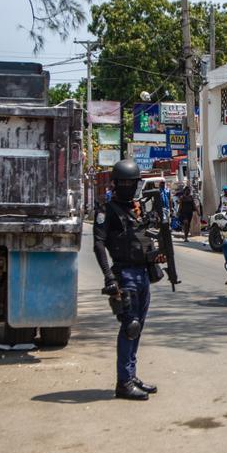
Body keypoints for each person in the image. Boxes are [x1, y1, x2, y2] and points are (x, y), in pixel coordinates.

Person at [92, 160, 161, 401]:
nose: (128, 187)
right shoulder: (106, 211)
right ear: (115, 183)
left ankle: (131, 375)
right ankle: (123, 382)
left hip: (142, 273)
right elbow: (99, 245)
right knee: (129, 327)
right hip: (124, 274)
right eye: (123, 182)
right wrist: (109, 277)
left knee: (138, 327)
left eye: (131, 183)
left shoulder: (136, 209)